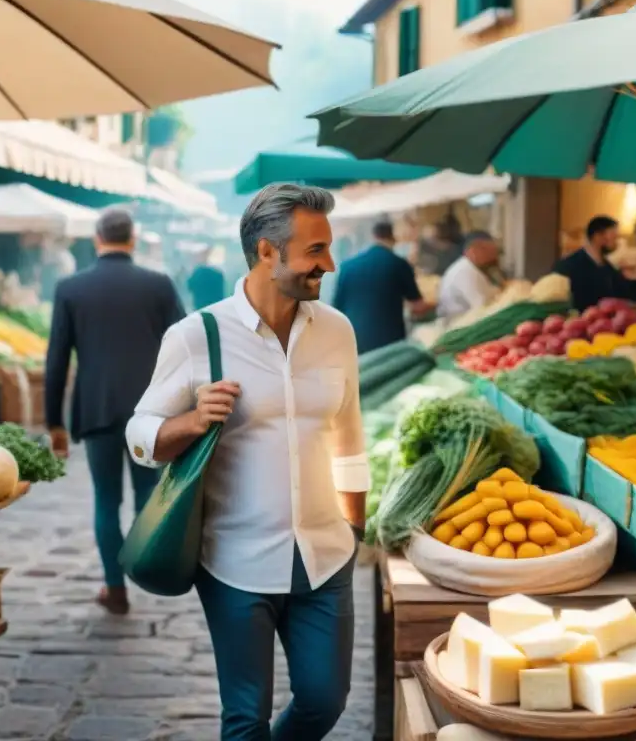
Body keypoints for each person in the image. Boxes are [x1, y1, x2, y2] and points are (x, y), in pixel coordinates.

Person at [126, 183, 369, 740]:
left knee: (324, 700)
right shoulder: (196, 336)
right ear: (267, 251)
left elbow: (350, 438)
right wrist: (190, 422)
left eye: (327, 249)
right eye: (315, 251)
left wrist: (356, 528)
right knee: (244, 718)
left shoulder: (337, 331)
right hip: (233, 561)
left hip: (325, 557)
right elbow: (138, 435)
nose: (328, 264)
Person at [44, 209, 185, 616]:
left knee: (106, 500)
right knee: (146, 496)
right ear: (133, 239)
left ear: (96, 238)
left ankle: (114, 585)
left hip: (97, 410)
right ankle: (143, 568)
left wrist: (53, 420)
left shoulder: (70, 288)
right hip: (152, 412)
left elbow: (57, 360)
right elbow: (183, 345)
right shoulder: (158, 285)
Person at [333, 219, 435, 353]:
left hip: (353, 339)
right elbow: (418, 307)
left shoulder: (347, 266)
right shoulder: (398, 264)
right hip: (388, 342)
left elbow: (336, 309)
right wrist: (437, 304)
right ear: (393, 238)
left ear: (373, 236)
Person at [554, 215, 636, 312]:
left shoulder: (606, 266)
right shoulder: (568, 266)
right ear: (598, 237)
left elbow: (626, 288)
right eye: (614, 237)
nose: (616, 242)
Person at [438, 231, 501, 318]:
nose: (492, 256)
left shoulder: (472, 268)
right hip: (457, 323)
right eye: (487, 251)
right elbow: (482, 307)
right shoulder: (464, 271)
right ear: (473, 250)